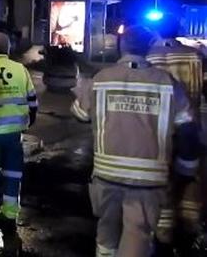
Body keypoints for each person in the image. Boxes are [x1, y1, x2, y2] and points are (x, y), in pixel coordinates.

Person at [71, 25, 199, 257]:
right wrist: (186, 170)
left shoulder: (102, 79)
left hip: (106, 175)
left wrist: (82, 89)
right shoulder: (167, 84)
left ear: (121, 46)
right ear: (149, 47)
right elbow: (188, 129)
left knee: (106, 235)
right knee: (137, 237)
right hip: (148, 180)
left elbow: (80, 115)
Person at [146, 14, 206, 255]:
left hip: (158, 125)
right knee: (189, 178)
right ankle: (188, 227)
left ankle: (162, 232)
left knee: (163, 178)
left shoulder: (149, 55)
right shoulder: (193, 57)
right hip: (189, 125)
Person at [0, 32, 38, 253]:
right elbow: (33, 102)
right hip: (14, 134)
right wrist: (28, 121)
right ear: (9, 49)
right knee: (13, 175)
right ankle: (10, 217)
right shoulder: (21, 70)